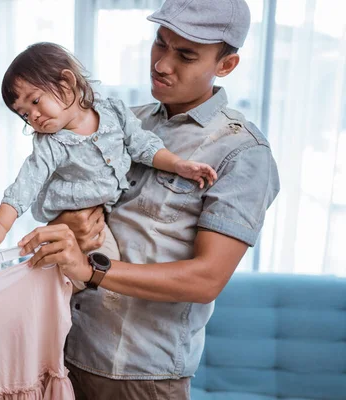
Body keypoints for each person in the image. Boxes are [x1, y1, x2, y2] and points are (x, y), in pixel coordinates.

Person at [16, 0, 281, 399]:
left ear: (225, 66)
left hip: (140, 377)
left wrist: (92, 270)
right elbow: (53, 196)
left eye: (185, 55)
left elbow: (206, 278)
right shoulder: (120, 121)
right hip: (63, 352)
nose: (160, 64)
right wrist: (64, 223)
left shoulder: (242, 152)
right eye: (160, 43)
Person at [0, 42, 217, 260]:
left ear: (67, 83)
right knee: (94, 266)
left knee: (100, 267)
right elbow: (24, 186)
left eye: (35, 101)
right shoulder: (51, 143)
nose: (33, 116)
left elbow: (144, 145)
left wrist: (178, 165)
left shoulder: (113, 111)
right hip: (73, 216)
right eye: (24, 114)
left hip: (104, 215)